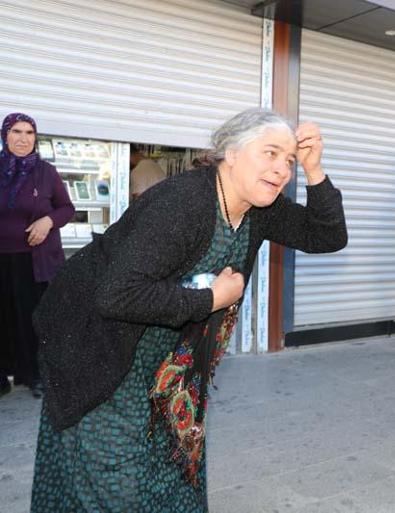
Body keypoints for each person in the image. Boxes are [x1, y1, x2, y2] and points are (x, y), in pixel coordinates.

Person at [30, 109, 347, 511]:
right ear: (231, 153)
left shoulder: (260, 208)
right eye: (270, 153)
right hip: (102, 351)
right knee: (112, 478)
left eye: (288, 160)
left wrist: (314, 170)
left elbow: (328, 235)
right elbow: (116, 295)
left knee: (175, 466)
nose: (282, 169)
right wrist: (210, 300)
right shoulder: (183, 203)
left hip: (169, 364)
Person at [0, 113, 74, 399]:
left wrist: (48, 222)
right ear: (5, 135)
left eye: (29, 133)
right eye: (16, 131)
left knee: (33, 320)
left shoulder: (45, 172)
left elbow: (66, 208)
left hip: (34, 262)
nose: (23, 138)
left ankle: (34, 375)